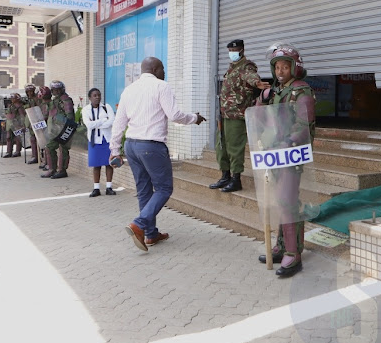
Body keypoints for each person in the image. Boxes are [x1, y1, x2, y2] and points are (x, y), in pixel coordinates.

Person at [109, 56, 206, 252]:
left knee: (144, 190)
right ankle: (139, 224)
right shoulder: (162, 86)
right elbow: (174, 115)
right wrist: (195, 118)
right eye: (162, 68)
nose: (165, 72)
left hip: (132, 146)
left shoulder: (129, 89)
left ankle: (150, 234)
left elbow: (119, 121)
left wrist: (114, 150)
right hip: (151, 146)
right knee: (163, 188)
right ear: (154, 69)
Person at [256, 43, 316, 277]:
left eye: (284, 67)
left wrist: (288, 143)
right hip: (273, 154)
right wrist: (262, 98)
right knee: (279, 200)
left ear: (295, 67)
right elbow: (258, 117)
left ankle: (294, 252)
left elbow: (305, 125)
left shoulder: (302, 91)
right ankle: (282, 246)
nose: (280, 71)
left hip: (291, 154)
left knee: (287, 201)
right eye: (277, 67)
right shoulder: (276, 91)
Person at [210, 39, 270, 193]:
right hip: (224, 114)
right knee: (221, 146)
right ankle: (225, 176)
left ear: (242, 50)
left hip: (237, 115)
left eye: (234, 50)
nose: (232, 53)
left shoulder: (246, 67)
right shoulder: (231, 69)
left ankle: (236, 179)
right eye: (230, 51)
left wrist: (257, 83)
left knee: (234, 147)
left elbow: (250, 77)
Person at [82, 88, 116, 197]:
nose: (97, 97)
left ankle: (109, 187)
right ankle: (96, 188)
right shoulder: (86, 110)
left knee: (109, 164)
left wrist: (96, 123)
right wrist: (102, 121)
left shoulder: (107, 107)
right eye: (95, 95)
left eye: (99, 95)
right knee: (96, 165)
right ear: (90, 98)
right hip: (94, 141)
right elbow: (88, 125)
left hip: (107, 139)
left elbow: (111, 121)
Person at [42, 80, 75, 179]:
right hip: (55, 130)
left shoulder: (66, 100)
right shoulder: (54, 100)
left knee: (63, 149)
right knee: (49, 147)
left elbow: (69, 116)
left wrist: (64, 127)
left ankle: (62, 170)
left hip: (63, 129)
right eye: (54, 90)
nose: (56, 91)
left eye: (58, 89)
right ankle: (52, 169)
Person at [23, 84, 41, 164]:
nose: (29, 93)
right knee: (32, 139)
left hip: (37, 120)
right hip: (31, 121)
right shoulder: (28, 100)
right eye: (28, 92)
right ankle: (34, 155)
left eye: (31, 91)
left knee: (38, 139)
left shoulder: (37, 99)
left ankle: (38, 156)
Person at [3, 93, 25, 158]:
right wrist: (5, 123)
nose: (12, 99)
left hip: (17, 123)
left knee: (17, 138)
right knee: (8, 137)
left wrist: (23, 124)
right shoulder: (10, 106)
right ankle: (8, 151)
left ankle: (18, 151)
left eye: (13, 98)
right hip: (9, 123)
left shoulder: (19, 106)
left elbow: (22, 115)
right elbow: (8, 115)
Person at [37, 86, 52, 170]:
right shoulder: (43, 104)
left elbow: (46, 115)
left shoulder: (49, 104)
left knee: (48, 146)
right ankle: (45, 161)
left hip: (48, 126)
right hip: (43, 126)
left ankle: (48, 163)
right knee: (43, 145)